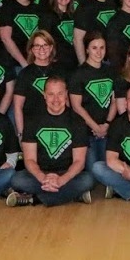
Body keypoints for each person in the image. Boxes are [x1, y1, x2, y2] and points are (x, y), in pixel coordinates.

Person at [11, 77, 95, 207]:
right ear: (44, 95)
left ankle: (35, 199)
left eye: (60, 94)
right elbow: (29, 160)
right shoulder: (32, 120)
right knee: (17, 179)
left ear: (66, 94)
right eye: (51, 94)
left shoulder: (77, 121)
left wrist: (61, 180)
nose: (56, 99)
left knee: (87, 180)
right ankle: (72, 195)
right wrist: (43, 178)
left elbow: (79, 162)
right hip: (40, 173)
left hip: (66, 173)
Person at [69, 33, 116, 168]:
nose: (99, 52)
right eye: (94, 48)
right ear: (87, 49)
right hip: (86, 133)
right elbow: (76, 106)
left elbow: (115, 101)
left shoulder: (111, 71)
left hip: (107, 131)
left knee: (108, 169)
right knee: (94, 172)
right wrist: (95, 127)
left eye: (102, 47)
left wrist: (107, 124)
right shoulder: (78, 74)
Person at [12, 31, 63, 137]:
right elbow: (18, 107)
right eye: (37, 46)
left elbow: (66, 102)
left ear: (51, 47)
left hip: (57, 128)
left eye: (45, 45)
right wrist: (21, 134)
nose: (42, 49)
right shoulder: (25, 74)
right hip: (32, 129)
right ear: (32, 49)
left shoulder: (60, 70)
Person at [1, 0, 41, 69]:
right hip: (15, 65)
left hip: (36, 62)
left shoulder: (38, 8)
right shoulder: (7, 7)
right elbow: (6, 38)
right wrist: (24, 63)